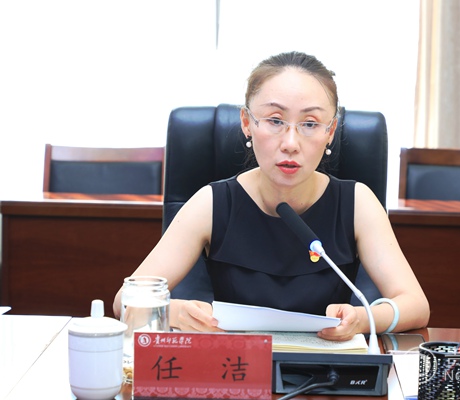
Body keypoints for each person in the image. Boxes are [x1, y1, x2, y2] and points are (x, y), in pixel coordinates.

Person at [113, 51, 429, 341]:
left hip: (325, 371)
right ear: (247, 123)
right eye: (275, 121)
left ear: (330, 132)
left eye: (310, 123)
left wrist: (362, 319)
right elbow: (123, 302)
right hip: (236, 370)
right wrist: (174, 312)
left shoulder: (357, 203)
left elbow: (416, 305)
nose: (290, 143)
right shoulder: (211, 203)